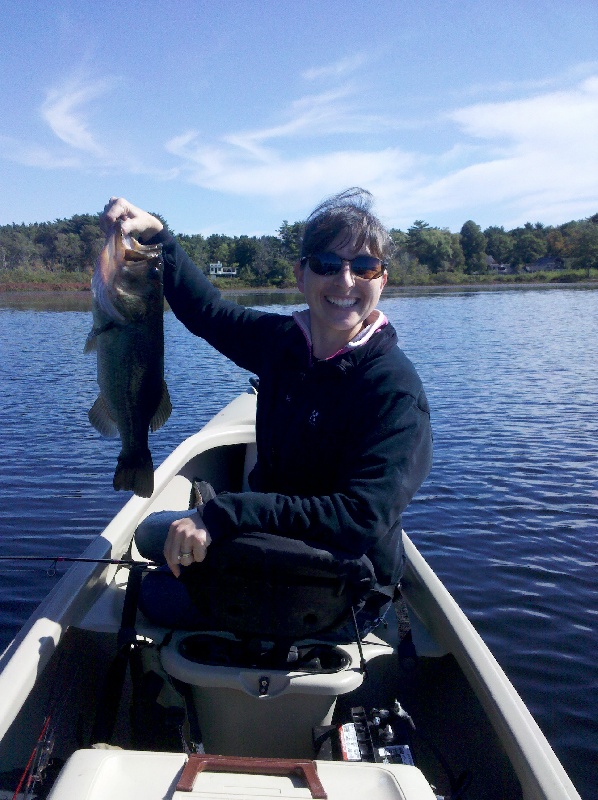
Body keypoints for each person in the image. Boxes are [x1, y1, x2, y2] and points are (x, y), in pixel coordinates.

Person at [100, 188, 433, 636]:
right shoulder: (285, 345)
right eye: (327, 265)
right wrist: (161, 238)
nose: (346, 281)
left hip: (342, 589)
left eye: (365, 266)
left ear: (382, 280)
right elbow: (208, 312)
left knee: (152, 588)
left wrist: (222, 515)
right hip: (269, 548)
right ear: (301, 275)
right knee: (151, 535)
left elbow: (360, 517)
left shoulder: (394, 388)